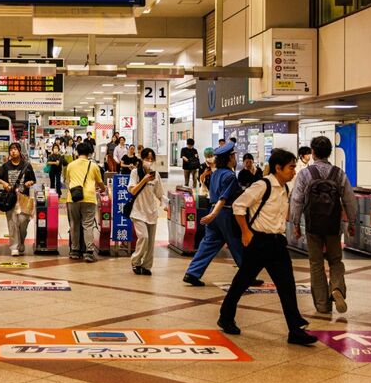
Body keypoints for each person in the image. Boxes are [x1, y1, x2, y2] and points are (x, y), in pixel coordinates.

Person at [218, 149, 317, 346]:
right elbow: (238, 206)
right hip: (259, 242)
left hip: (277, 243)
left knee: (287, 286)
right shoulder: (262, 185)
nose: (293, 171)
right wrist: (246, 232)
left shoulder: (284, 188)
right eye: (290, 167)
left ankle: (295, 329)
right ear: (278, 168)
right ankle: (226, 317)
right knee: (242, 282)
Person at [289, 136, 358, 315]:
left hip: (313, 226)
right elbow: (350, 201)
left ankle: (322, 305)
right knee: (335, 261)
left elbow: (296, 200)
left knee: (316, 263)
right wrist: (352, 222)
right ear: (329, 152)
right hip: (334, 226)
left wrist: (295, 223)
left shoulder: (305, 174)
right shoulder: (339, 174)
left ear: (312, 153)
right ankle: (336, 288)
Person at [183, 141, 264, 287]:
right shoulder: (230, 176)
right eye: (234, 156)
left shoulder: (215, 174)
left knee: (208, 243)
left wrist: (212, 214)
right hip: (225, 213)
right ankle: (248, 275)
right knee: (238, 243)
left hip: (213, 212)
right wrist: (214, 214)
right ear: (229, 158)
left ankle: (192, 273)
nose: (235, 158)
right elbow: (223, 198)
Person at [65, 142, 106, 262]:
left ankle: (74, 251)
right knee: (88, 225)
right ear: (89, 153)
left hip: (73, 197)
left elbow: (68, 180)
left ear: (77, 152)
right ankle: (88, 252)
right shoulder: (93, 166)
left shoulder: (71, 165)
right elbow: (100, 182)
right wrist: (103, 189)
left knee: (74, 224)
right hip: (88, 197)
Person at [0, 142, 36, 256]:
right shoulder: (5, 166)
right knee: (12, 223)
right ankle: (14, 246)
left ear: (19, 151)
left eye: (15, 149)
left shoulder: (27, 165)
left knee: (23, 222)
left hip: (24, 198)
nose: (12, 151)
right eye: (11, 149)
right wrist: (5, 184)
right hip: (10, 198)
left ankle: (21, 241)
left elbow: (33, 179)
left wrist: (29, 182)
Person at [128, 148, 164, 275]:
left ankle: (147, 266)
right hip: (138, 211)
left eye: (151, 159)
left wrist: (165, 204)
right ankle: (135, 261)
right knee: (144, 237)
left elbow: (160, 193)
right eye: (146, 159)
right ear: (141, 159)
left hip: (152, 211)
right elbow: (132, 191)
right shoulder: (135, 173)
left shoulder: (156, 175)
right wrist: (144, 180)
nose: (149, 161)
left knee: (150, 242)